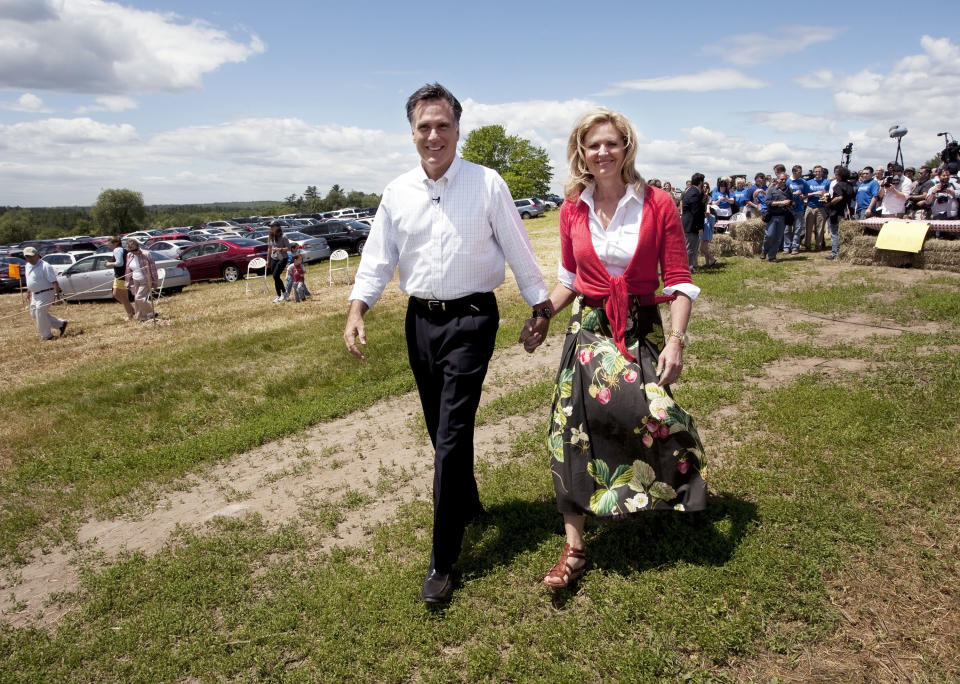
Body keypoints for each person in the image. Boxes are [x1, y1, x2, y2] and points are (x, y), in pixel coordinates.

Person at [343, 83, 550, 604]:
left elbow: (518, 249)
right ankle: (470, 500)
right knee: (441, 428)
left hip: (473, 318)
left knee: (453, 431)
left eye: (443, 126)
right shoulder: (397, 192)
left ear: (458, 130)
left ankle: (443, 560)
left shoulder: (487, 184)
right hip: (420, 322)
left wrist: (540, 306)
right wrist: (357, 308)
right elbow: (378, 259)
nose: (433, 136)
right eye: (424, 127)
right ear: (411, 133)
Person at [518, 108, 705, 589]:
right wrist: (542, 316)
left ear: (627, 148)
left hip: (640, 323)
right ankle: (574, 545)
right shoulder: (571, 208)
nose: (602, 152)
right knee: (571, 427)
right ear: (581, 153)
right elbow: (568, 279)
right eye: (592, 145)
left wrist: (677, 341)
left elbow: (680, 282)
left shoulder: (658, 203)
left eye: (611, 143)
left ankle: (676, 482)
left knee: (648, 412)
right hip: (588, 328)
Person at [23, 246, 68, 340]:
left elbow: (54, 281)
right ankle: (60, 324)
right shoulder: (27, 266)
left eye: (32, 256)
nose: (30, 259)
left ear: (37, 255)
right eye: (27, 257)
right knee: (34, 314)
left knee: (40, 313)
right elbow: (30, 280)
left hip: (46, 293)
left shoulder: (45, 266)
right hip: (35, 294)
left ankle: (47, 336)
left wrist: (56, 295)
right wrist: (28, 291)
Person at [124, 239, 158, 321]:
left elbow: (153, 269)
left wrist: (155, 281)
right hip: (135, 280)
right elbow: (128, 270)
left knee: (139, 298)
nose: (135, 252)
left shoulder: (146, 254)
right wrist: (127, 282)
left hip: (145, 280)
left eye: (136, 249)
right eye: (132, 251)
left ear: (138, 247)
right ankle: (143, 317)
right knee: (137, 299)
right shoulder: (129, 255)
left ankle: (152, 312)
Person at [825, 166, 855, 260]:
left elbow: (839, 197)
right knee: (843, 233)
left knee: (835, 233)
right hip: (847, 211)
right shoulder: (850, 185)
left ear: (840, 175)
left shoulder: (838, 185)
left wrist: (829, 203)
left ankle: (835, 253)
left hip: (837, 212)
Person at [762, 173, 793, 263]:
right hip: (772, 216)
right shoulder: (771, 190)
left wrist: (790, 205)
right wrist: (782, 202)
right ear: (777, 179)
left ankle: (772, 256)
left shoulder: (788, 190)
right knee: (769, 235)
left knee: (778, 237)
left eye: (785, 180)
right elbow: (768, 202)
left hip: (783, 216)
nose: (783, 181)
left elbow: (791, 202)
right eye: (781, 179)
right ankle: (764, 250)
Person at [105, 236, 136, 319]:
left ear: (115, 243)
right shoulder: (121, 250)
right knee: (115, 294)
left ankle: (130, 314)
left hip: (122, 276)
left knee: (123, 297)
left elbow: (120, 263)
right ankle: (132, 310)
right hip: (119, 276)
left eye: (109, 244)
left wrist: (109, 264)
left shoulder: (117, 250)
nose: (108, 246)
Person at [680, 172, 705, 273]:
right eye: (702, 182)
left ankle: (688, 267)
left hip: (688, 223)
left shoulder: (690, 191)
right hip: (691, 225)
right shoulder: (695, 193)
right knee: (690, 248)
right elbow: (696, 212)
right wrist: (700, 227)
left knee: (690, 247)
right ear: (700, 182)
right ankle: (688, 268)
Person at [803, 166, 830, 251]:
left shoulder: (826, 182)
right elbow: (805, 195)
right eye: (816, 172)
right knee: (808, 228)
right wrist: (815, 193)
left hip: (821, 207)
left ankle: (818, 246)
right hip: (810, 206)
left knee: (820, 228)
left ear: (822, 172)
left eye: (819, 171)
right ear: (813, 173)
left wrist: (825, 196)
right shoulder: (809, 182)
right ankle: (807, 245)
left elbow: (828, 194)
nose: (817, 173)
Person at [784, 165, 809, 254]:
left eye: (801, 172)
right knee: (787, 229)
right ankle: (787, 247)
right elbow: (783, 194)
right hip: (789, 208)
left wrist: (803, 196)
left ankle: (795, 247)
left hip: (799, 208)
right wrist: (794, 193)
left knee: (797, 228)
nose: (801, 174)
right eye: (799, 172)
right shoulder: (788, 182)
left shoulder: (803, 182)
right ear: (794, 172)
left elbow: (806, 194)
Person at [266, 223, 290, 302]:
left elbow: (288, 248)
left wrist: (279, 249)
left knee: (276, 275)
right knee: (275, 277)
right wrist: (268, 260)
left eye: (272, 226)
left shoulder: (283, 236)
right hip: (274, 258)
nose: (271, 228)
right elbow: (269, 248)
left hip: (282, 258)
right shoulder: (270, 236)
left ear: (277, 227)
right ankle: (278, 295)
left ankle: (284, 292)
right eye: (270, 227)